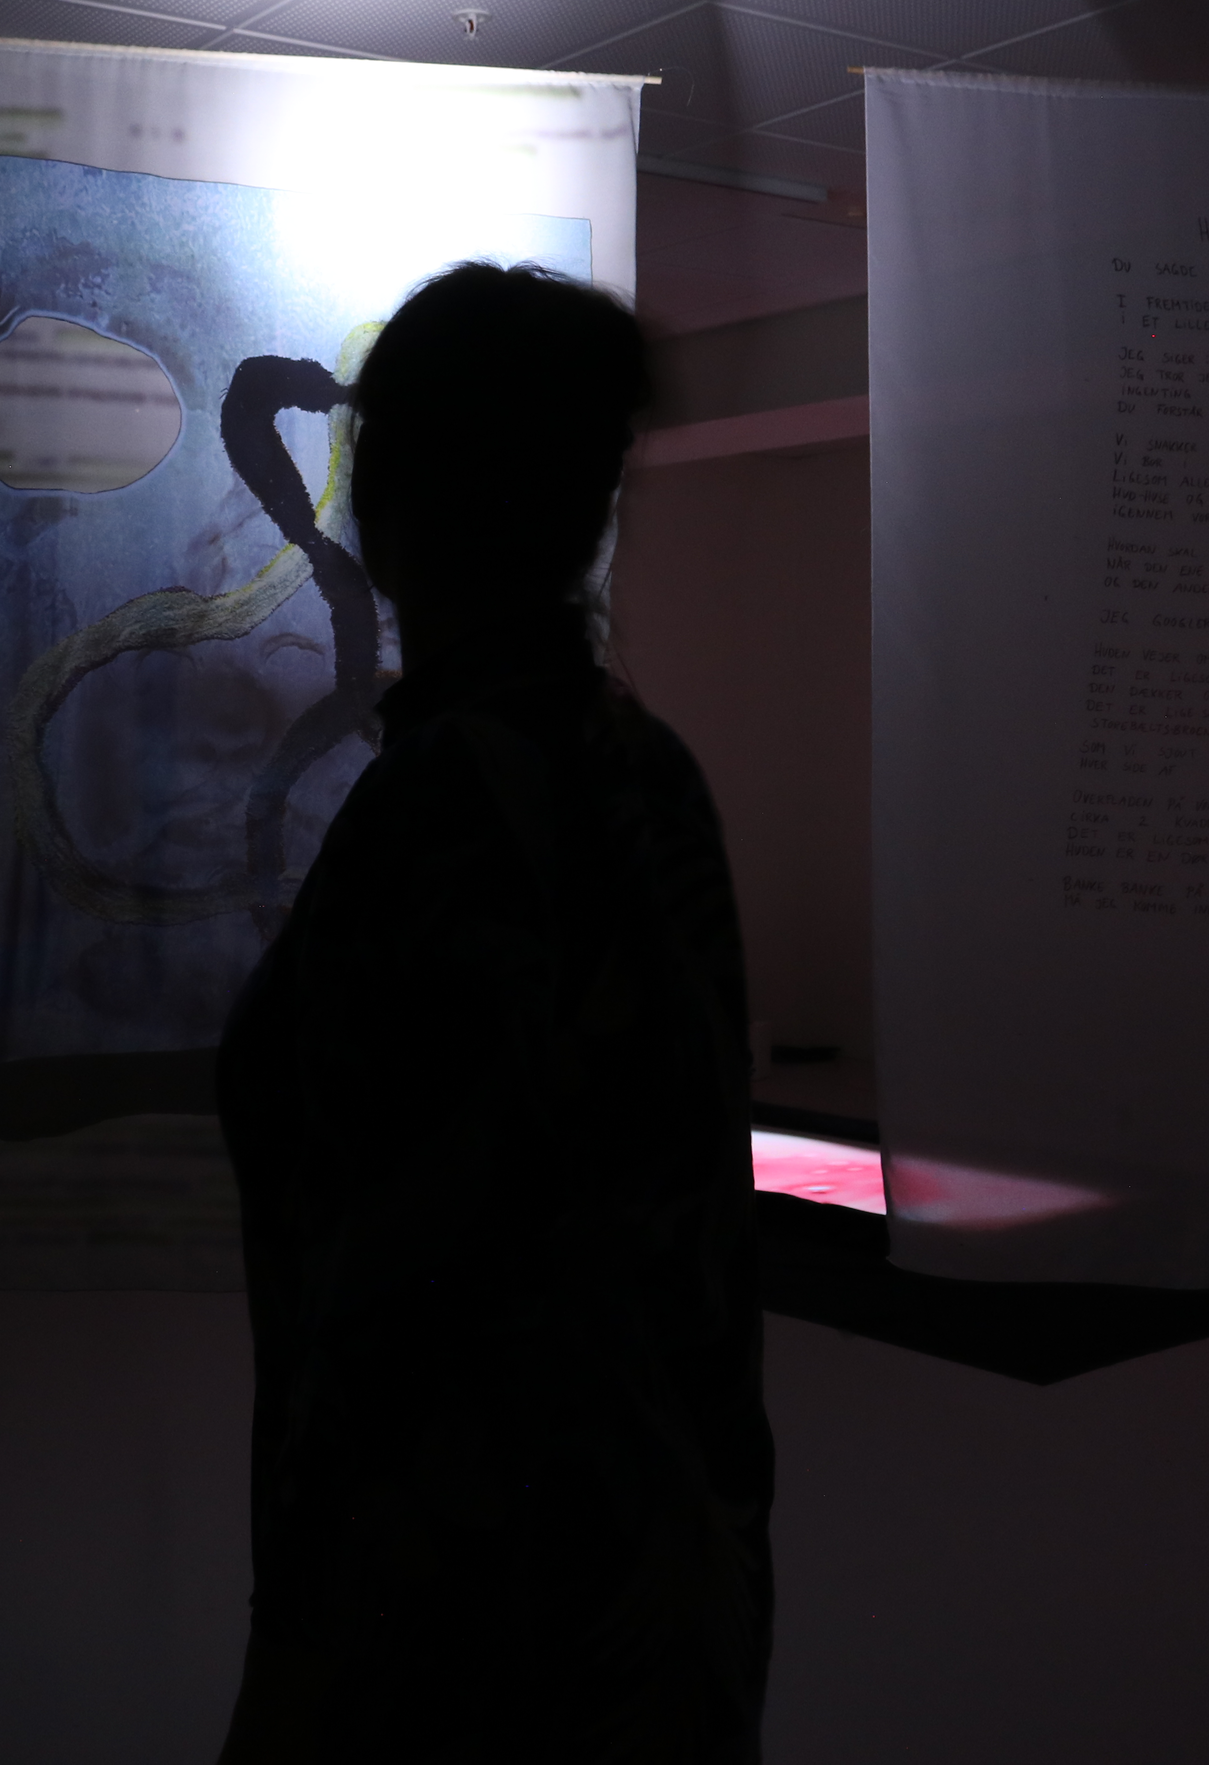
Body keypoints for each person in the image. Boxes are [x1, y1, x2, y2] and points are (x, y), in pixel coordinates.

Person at [214, 262, 776, 1764]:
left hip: (463, 1632)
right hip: (654, 1587)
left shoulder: (450, 804)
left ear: (390, 504)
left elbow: (408, 1291)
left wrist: (300, 1663)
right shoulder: (640, 769)